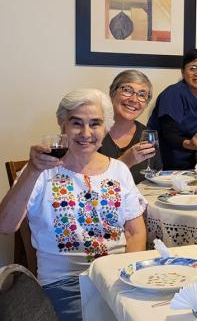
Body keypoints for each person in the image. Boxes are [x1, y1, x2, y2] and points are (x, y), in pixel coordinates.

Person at [0, 89, 147, 321]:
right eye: (76, 123)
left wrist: (129, 278)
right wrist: (32, 170)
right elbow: (6, 225)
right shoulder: (41, 171)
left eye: (95, 124)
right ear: (62, 124)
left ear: (106, 127)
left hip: (116, 277)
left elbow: (135, 231)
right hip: (65, 284)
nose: (86, 133)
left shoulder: (119, 170)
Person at [147, 49, 197, 169]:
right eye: (193, 68)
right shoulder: (173, 93)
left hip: (191, 161)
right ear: (183, 71)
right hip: (164, 161)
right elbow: (168, 134)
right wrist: (192, 145)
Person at [98, 70, 162, 183]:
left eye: (142, 95)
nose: (133, 100)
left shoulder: (148, 135)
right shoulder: (92, 131)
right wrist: (126, 160)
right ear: (112, 93)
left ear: (146, 103)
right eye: (127, 90)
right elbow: (85, 183)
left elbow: (156, 178)